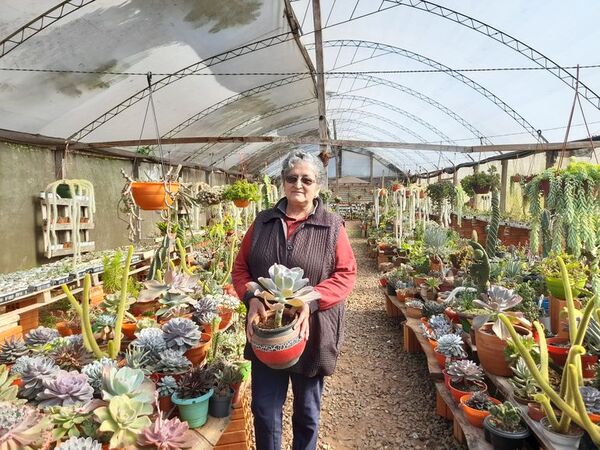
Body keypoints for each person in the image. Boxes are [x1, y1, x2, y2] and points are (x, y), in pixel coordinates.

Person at [232, 150, 357, 450]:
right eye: (291, 178)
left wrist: (310, 301)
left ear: (318, 185)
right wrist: (251, 297)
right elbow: (240, 269)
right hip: (266, 333)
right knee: (264, 410)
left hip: (309, 332)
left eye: (306, 179)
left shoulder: (331, 226)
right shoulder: (263, 222)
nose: (298, 184)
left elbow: (346, 273)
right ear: (283, 182)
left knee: (307, 413)